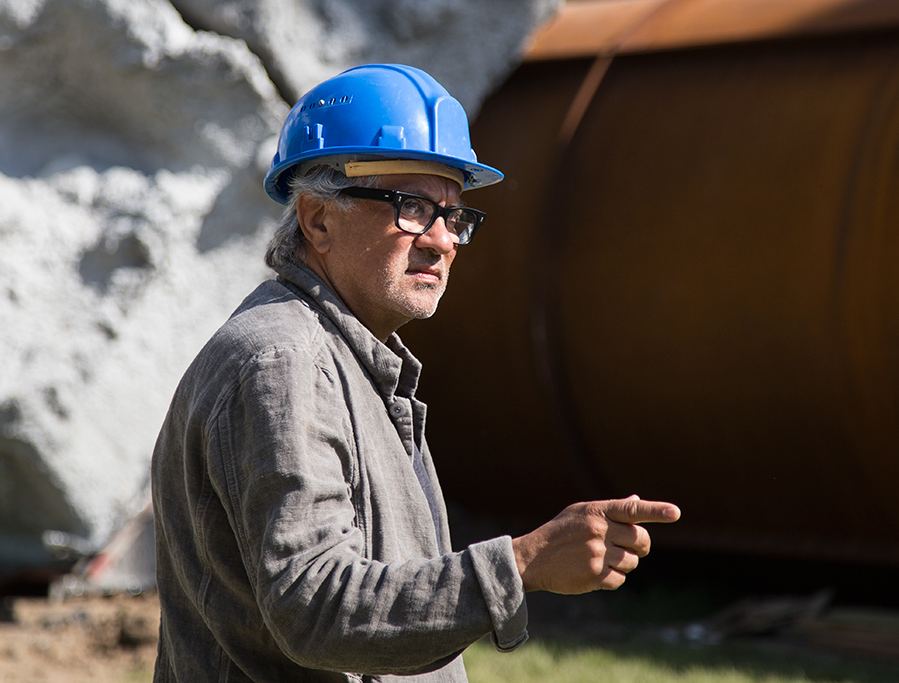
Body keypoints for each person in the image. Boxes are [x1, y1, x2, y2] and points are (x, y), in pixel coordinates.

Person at [151, 63, 680, 683]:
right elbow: (316, 605)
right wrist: (522, 563)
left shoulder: (350, 358)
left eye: (453, 216)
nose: (442, 240)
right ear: (318, 220)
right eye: (411, 206)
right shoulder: (284, 363)